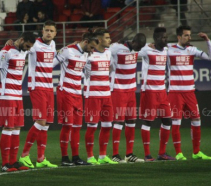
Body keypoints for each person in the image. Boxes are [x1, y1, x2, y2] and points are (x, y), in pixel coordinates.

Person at [167, 26, 211, 160]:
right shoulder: (169, 49)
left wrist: (207, 41)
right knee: (176, 122)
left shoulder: (192, 50)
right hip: (175, 93)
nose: (189, 38)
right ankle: (179, 153)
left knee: (196, 120)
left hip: (189, 92)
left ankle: (196, 152)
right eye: (186, 35)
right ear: (179, 37)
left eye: (190, 35)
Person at [0, 32, 36, 172]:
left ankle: (13, 161)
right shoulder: (6, 51)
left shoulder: (22, 51)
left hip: (17, 94)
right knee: (8, 127)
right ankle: (5, 163)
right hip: (6, 94)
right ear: (22, 40)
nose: (28, 49)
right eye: (27, 45)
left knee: (17, 127)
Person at [54, 32, 99, 166]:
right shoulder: (68, 51)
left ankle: (76, 157)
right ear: (85, 42)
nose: (92, 51)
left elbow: (87, 72)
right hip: (65, 92)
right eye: (91, 47)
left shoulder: (85, 55)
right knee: (67, 126)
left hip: (77, 94)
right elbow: (51, 64)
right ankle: (64, 158)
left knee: (77, 126)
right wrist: (58, 51)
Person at [19, 20, 58, 169]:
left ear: (55, 33)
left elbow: (50, 63)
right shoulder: (34, 45)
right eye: (46, 30)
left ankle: (41, 158)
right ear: (42, 31)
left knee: (46, 124)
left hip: (49, 87)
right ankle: (24, 155)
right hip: (37, 87)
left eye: (51, 31)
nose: (49, 33)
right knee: (40, 121)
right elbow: (21, 49)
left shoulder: (53, 45)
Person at [109, 33, 146, 163]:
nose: (139, 49)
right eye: (138, 46)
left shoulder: (137, 49)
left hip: (131, 91)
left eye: (142, 47)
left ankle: (129, 154)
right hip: (118, 90)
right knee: (118, 121)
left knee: (131, 121)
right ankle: (115, 154)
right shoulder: (117, 48)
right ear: (134, 41)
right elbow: (103, 50)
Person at [138, 27, 174, 161]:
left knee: (167, 120)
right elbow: (132, 49)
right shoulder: (147, 50)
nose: (166, 39)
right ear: (157, 39)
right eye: (164, 37)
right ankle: (147, 155)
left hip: (162, 91)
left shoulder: (166, 49)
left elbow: (177, 47)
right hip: (149, 91)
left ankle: (162, 153)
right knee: (147, 121)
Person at [83, 28, 117, 165]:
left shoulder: (108, 53)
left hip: (107, 95)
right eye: (107, 38)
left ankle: (103, 156)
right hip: (93, 96)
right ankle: (90, 157)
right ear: (100, 39)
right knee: (92, 127)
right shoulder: (89, 55)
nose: (110, 40)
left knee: (108, 125)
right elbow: (84, 73)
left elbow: (111, 68)